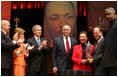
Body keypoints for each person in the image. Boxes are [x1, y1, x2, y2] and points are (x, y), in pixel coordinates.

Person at [101, 7, 117, 76]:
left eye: (109, 14)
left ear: (114, 13)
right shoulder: (112, 25)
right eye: (106, 15)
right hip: (109, 62)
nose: (107, 16)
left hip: (113, 62)